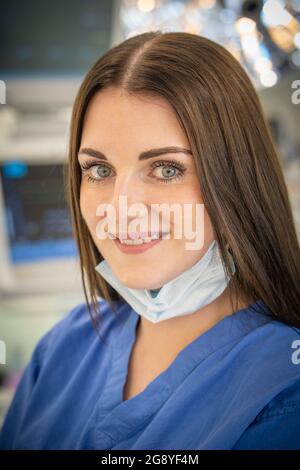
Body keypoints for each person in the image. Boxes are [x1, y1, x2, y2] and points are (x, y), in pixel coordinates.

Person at [0, 31, 300, 450]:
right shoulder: (66, 343)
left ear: (235, 178)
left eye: (166, 169)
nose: (120, 208)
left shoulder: (283, 392)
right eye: (99, 170)